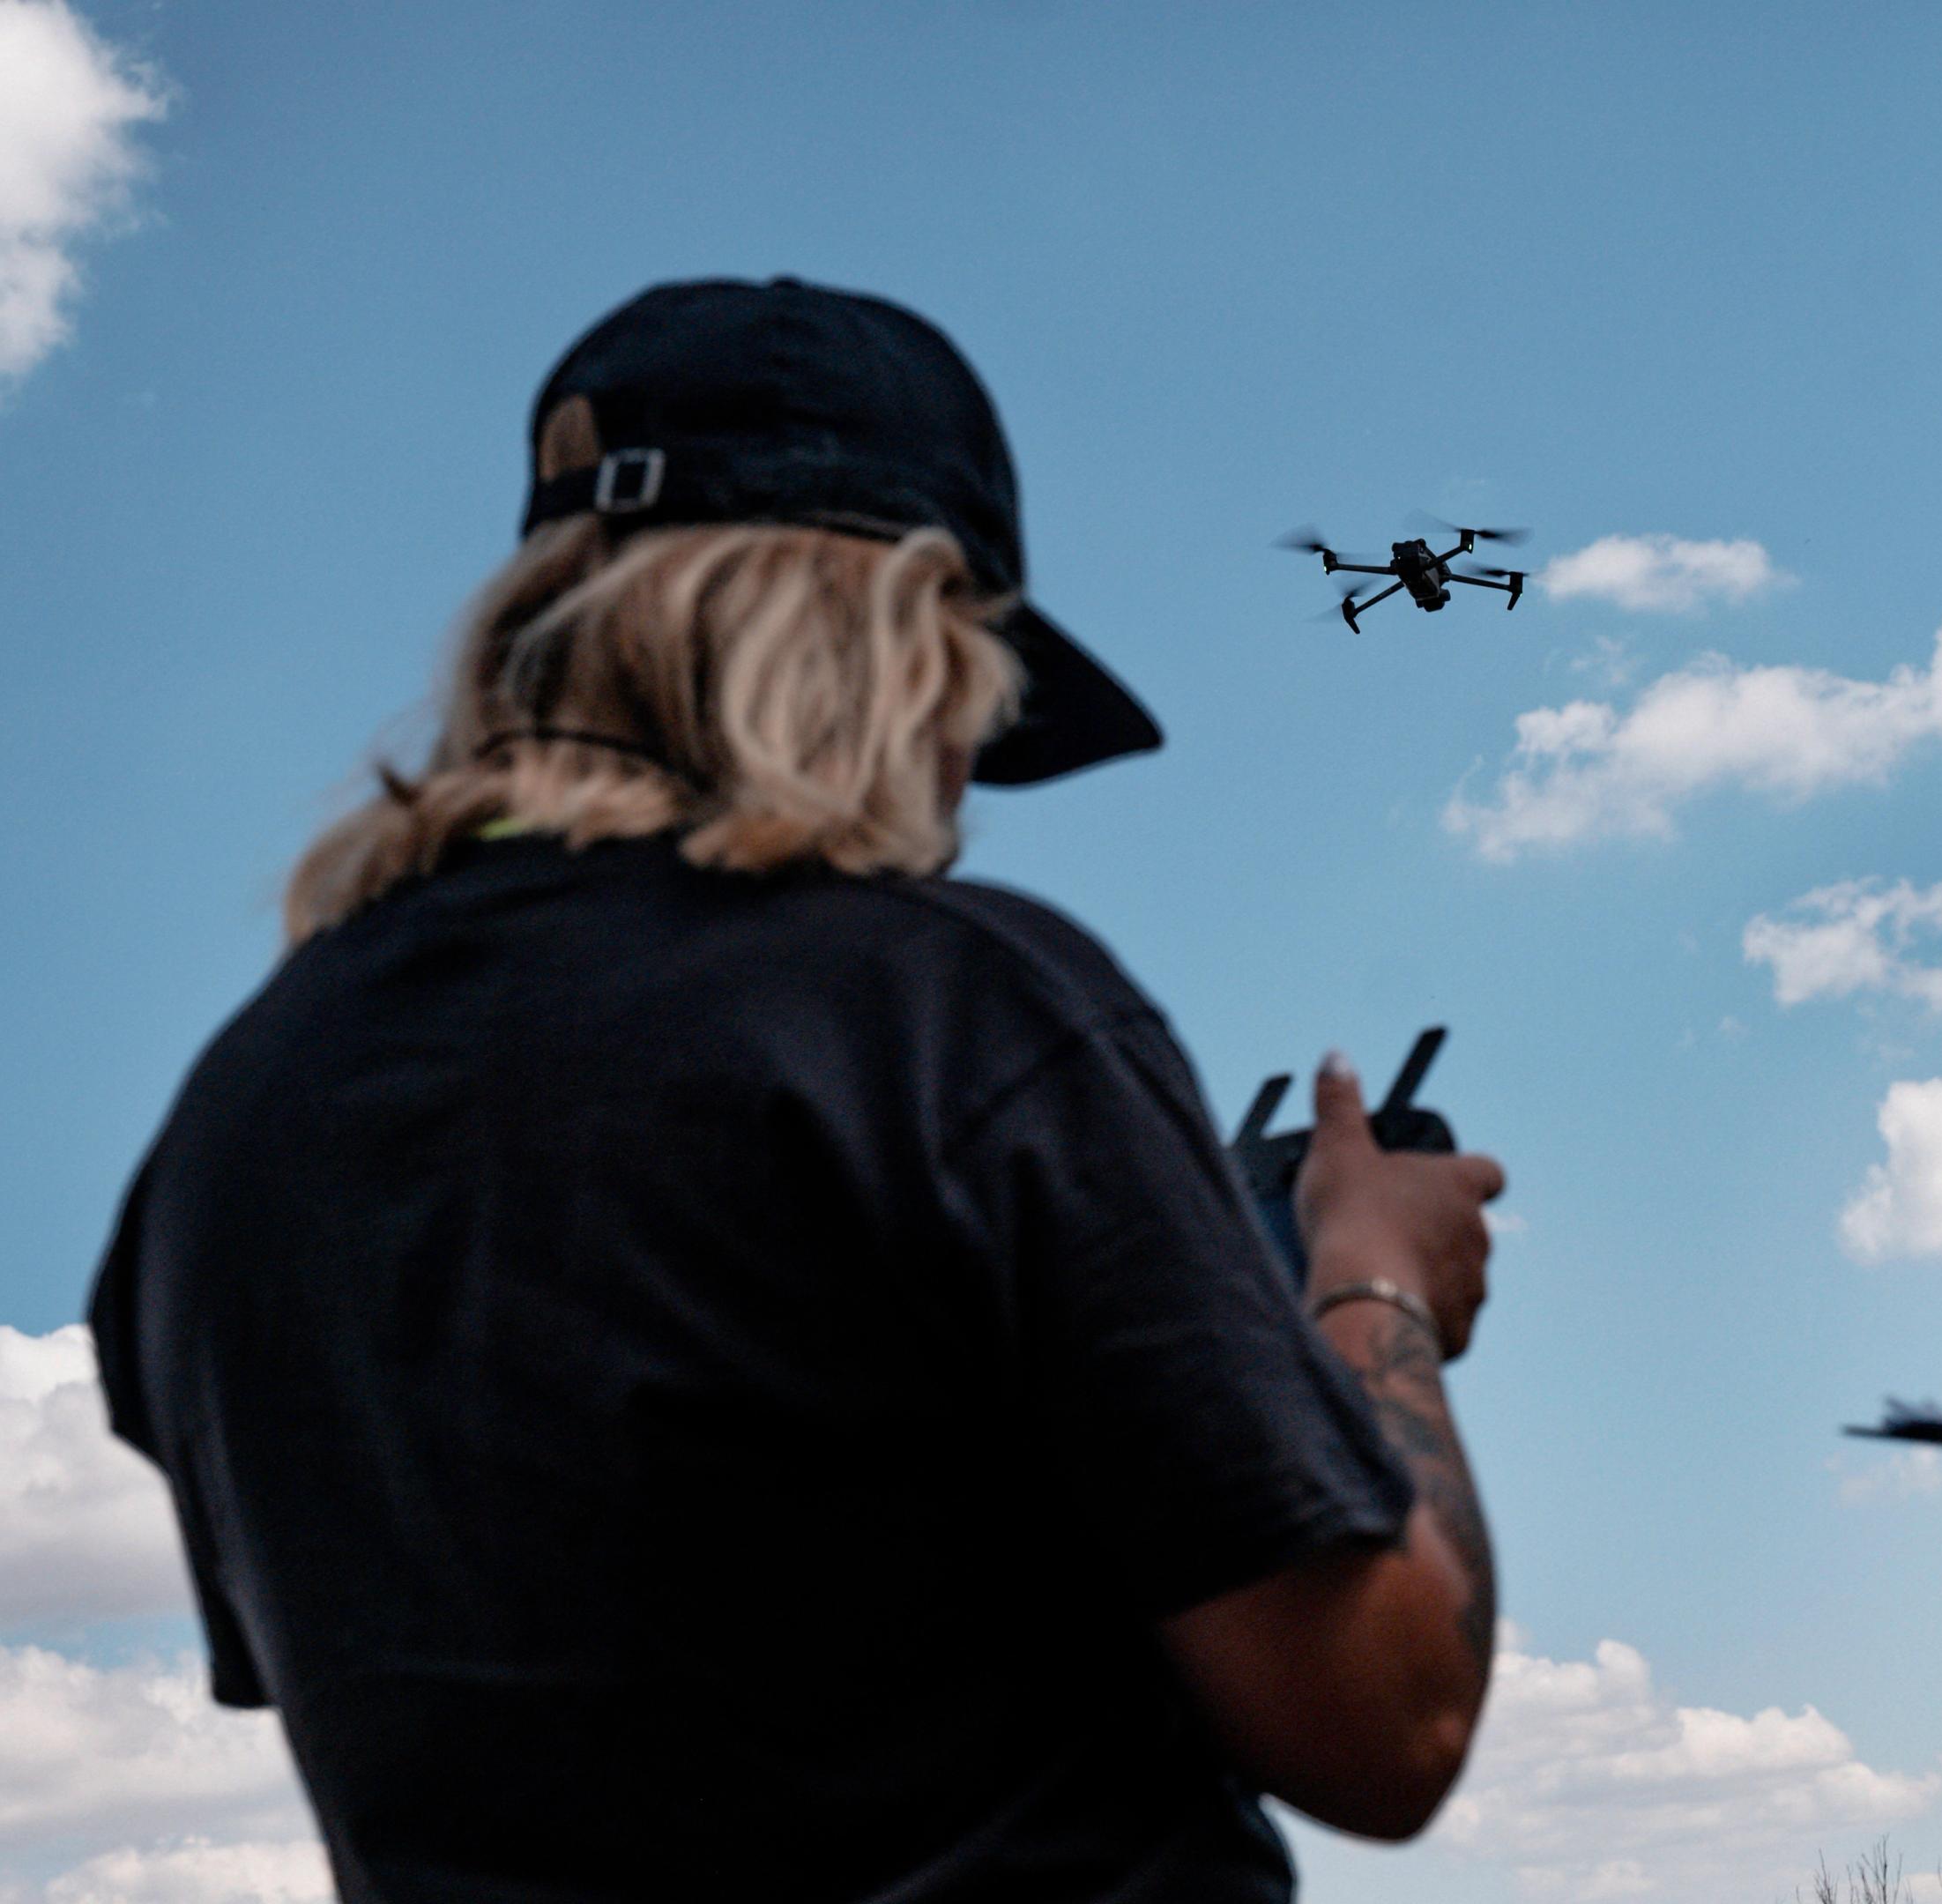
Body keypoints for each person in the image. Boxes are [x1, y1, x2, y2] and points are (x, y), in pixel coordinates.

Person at [86, 278, 1507, 1903]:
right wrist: (1368, 1284)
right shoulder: (949, 1005)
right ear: (902, 639)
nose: (962, 787)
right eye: (973, 695)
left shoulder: (231, 1123)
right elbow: (1386, 1724)